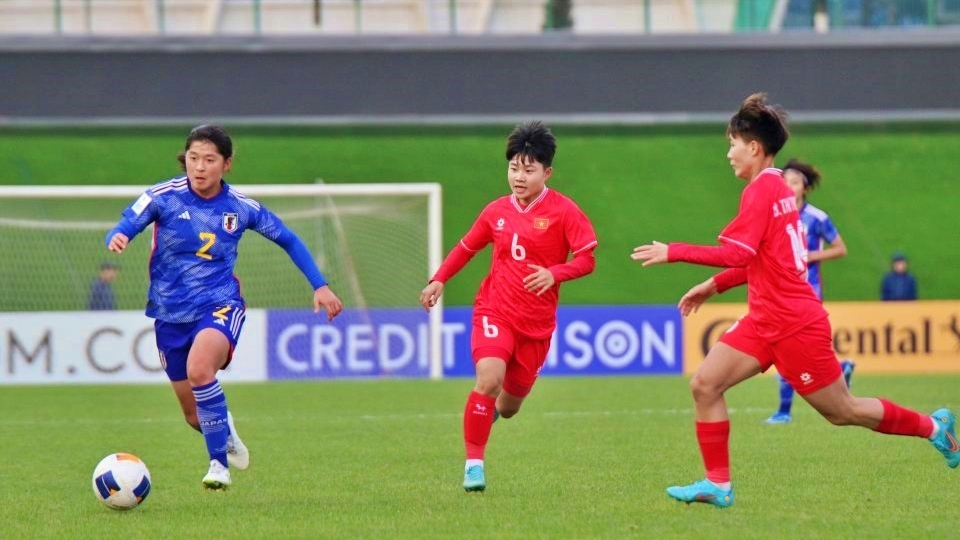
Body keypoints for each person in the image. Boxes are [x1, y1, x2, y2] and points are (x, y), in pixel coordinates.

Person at [631, 93, 958, 508]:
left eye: (732, 143)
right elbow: (761, 259)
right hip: (764, 320)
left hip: (793, 325)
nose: (728, 153)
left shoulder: (762, 192)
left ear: (753, 147)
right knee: (705, 384)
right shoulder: (777, 189)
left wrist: (674, 251)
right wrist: (712, 286)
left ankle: (934, 427)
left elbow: (739, 254)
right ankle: (718, 484)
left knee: (843, 411)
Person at [105, 124, 343, 490]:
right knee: (192, 414)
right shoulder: (163, 196)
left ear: (226, 164)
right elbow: (126, 222)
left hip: (220, 305)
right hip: (169, 314)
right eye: (193, 158)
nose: (199, 167)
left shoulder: (241, 208)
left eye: (209, 159)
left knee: (201, 369)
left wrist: (320, 285)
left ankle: (218, 466)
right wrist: (119, 235)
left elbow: (289, 239)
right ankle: (224, 429)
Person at [419, 121, 598, 493]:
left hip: (537, 324)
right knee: (488, 379)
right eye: (514, 168)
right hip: (494, 311)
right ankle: (473, 465)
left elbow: (587, 259)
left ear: (547, 172)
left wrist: (555, 273)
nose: (519, 177)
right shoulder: (496, 212)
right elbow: (468, 247)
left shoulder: (565, 211)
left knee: (511, 406)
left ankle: (486, 416)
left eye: (528, 170)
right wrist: (439, 278)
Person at [765, 158, 855, 425]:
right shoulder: (775, 215)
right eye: (785, 182)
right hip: (781, 292)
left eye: (794, 183)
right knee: (800, 353)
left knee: (788, 349)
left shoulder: (817, 218)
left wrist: (810, 255)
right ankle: (841, 370)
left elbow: (840, 248)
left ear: (804, 188)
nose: (789, 187)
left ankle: (783, 411)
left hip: (808, 292)